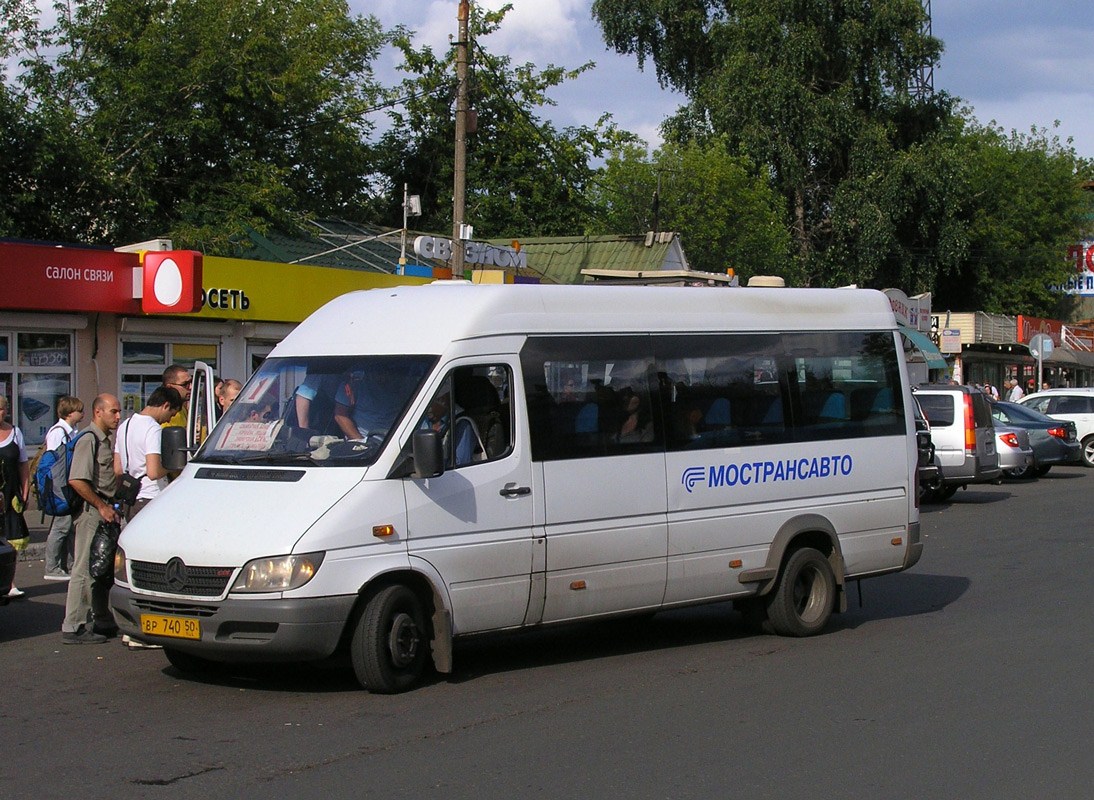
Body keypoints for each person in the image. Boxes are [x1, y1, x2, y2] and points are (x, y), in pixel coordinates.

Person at [61, 393, 121, 644]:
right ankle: (73, 626)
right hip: (90, 512)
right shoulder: (89, 439)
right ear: (99, 412)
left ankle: (101, 620)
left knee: (100, 570)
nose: (118, 417)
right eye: (113, 412)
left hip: (103, 509)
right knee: (84, 568)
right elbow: (77, 480)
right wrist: (100, 505)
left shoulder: (103, 439)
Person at [114, 386, 182, 521]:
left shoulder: (125, 425)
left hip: (130, 498)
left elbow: (118, 469)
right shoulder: (153, 428)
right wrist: (174, 465)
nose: (168, 420)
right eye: (171, 414)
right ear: (165, 405)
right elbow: (153, 472)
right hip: (149, 497)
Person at [42, 395, 85, 580]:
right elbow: (54, 463)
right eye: (79, 410)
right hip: (61, 486)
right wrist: (60, 488)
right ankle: (52, 568)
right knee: (61, 526)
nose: (82, 414)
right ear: (70, 413)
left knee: (68, 527)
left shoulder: (72, 431)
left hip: (69, 484)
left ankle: (68, 565)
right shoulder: (58, 432)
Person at [0, 394, 31, 598]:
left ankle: (10, 582)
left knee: (11, 539)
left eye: (1, 409)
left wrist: (25, 492)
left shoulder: (15, 432)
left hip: (10, 494)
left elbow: (23, 465)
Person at [162, 364, 192, 429]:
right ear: (169, 387)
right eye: (185, 384)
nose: (191, 387)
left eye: (191, 382)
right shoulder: (167, 412)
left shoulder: (181, 408)